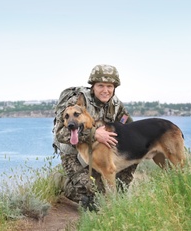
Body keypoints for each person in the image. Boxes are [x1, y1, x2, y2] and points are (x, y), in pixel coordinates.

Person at [52, 64, 137, 211]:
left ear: (114, 87)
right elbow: (59, 132)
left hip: (98, 154)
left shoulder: (115, 104)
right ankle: (61, 182)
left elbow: (129, 126)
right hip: (74, 154)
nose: (105, 90)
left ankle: (120, 202)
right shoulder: (76, 101)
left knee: (130, 160)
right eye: (101, 86)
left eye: (109, 86)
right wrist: (93, 133)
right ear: (93, 86)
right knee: (91, 197)